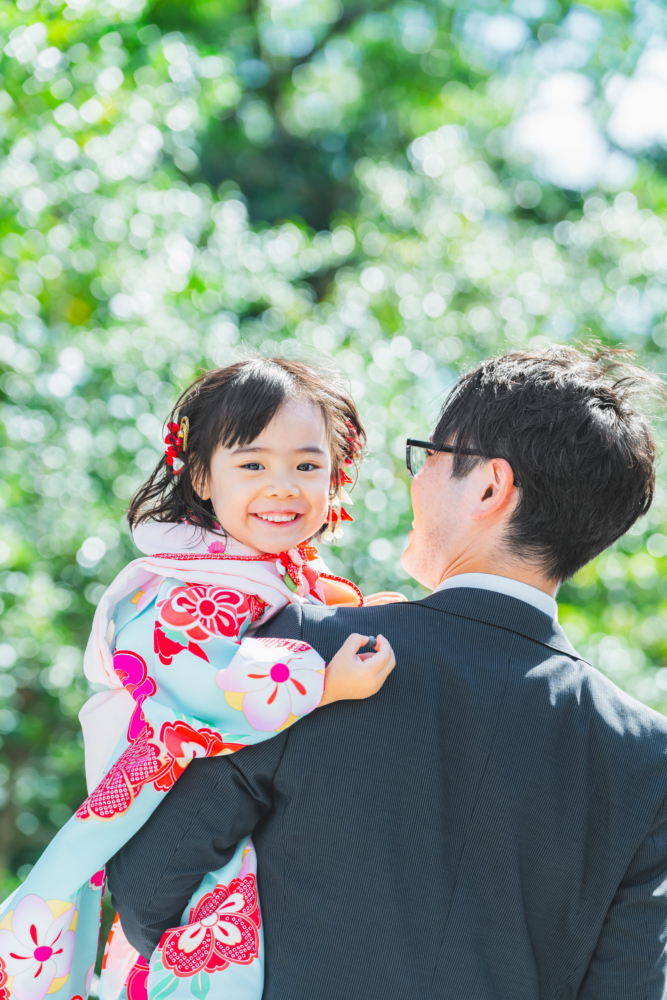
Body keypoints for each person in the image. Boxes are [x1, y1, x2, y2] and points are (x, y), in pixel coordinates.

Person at [108, 345, 667, 1000]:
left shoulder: (305, 654)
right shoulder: (644, 758)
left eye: (429, 456)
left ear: (488, 486)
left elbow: (151, 889)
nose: (416, 480)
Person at [0, 358, 399, 1000]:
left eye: (306, 465)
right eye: (253, 465)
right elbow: (201, 684)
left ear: (336, 477)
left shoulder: (264, 572)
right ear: (203, 477)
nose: (283, 487)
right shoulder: (177, 583)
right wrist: (325, 681)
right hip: (171, 822)